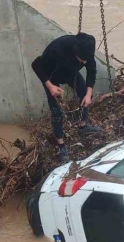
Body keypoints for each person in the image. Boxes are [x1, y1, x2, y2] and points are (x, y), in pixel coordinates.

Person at [31, 32, 102, 161]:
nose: (85, 62)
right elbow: (36, 64)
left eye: (87, 59)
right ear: (75, 52)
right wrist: (50, 86)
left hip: (71, 73)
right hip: (52, 77)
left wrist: (89, 94)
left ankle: (83, 126)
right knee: (56, 111)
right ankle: (61, 144)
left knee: (83, 93)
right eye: (82, 59)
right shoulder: (57, 48)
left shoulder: (87, 51)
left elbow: (92, 71)